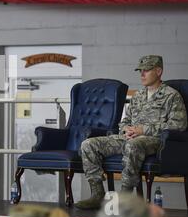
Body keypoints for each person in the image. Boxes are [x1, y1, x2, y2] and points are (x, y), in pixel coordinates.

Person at [75, 55, 187, 209]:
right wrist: (126, 129)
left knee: (133, 145)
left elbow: (178, 125)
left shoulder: (171, 96)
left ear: (159, 71)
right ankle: (97, 194)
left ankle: (125, 198)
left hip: (155, 141)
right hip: (129, 138)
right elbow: (125, 120)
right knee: (88, 144)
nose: (142, 74)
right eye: (140, 70)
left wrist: (143, 130)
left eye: (146, 70)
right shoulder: (138, 96)